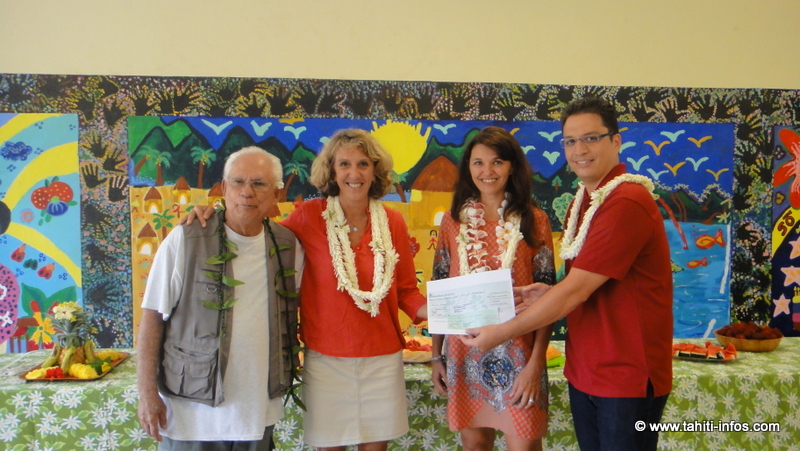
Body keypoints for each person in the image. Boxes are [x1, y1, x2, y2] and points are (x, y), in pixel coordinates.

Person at [184, 129, 427, 451]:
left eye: (363, 164)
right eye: (344, 164)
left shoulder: (392, 222)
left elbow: (407, 291)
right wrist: (211, 213)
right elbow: (256, 230)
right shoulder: (310, 216)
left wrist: (447, 313)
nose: (354, 173)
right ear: (332, 172)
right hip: (326, 359)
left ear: (375, 171)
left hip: (382, 358)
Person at [461, 97, 673, 451]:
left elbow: (577, 290)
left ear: (616, 141)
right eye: (570, 141)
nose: (579, 150)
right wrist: (547, 293)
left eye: (590, 138)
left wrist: (500, 333)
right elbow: (591, 284)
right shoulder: (584, 200)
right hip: (586, 368)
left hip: (626, 376)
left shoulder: (626, 201)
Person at [137, 146, 300, 451]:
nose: (247, 192)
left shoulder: (288, 246)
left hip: (256, 412)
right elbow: (152, 317)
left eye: (259, 183)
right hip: (191, 413)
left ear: (277, 194)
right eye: (238, 182)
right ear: (224, 189)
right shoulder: (187, 238)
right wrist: (147, 395)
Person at [430, 126, 555, 451]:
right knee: (474, 445)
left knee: (525, 446)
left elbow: (550, 299)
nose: (487, 171)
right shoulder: (453, 221)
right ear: (468, 168)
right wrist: (436, 356)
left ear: (512, 166)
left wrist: (536, 364)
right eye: (478, 163)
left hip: (521, 355)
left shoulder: (535, 220)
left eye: (497, 162)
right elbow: (440, 288)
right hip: (464, 354)